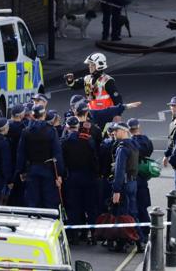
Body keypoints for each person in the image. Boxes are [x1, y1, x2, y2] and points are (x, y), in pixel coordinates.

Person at [16, 105, 64, 209]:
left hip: (32, 169)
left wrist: (21, 170)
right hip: (48, 170)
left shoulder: (26, 131)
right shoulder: (51, 131)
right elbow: (57, 153)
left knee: (33, 202)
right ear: (44, 115)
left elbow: (21, 153)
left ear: (32, 116)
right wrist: (59, 173)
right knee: (49, 202)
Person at [62, 116, 99, 245]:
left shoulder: (64, 141)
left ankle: (75, 237)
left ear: (67, 127)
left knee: (74, 207)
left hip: (72, 177)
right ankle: (93, 235)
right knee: (90, 206)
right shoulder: (87, 139)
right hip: (88, 176)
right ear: (78, 126)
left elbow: (62, 162)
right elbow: (94, 159)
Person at [111, 122, 144, 252]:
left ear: (124, 131)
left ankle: (137, 241)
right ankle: (129, 242)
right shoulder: (134, 145)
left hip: (124, 184)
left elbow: (119, 170)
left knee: (124, 215)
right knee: (131, 213)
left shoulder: (122, 148)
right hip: (132, 182)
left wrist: (116, 190)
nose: (114, 133)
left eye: (116, 130)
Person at [127, 118, 154, 247]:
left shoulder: (131, 143)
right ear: (139, 127)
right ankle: (147, 231)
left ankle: (139, 235)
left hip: (134, 176)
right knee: (143, 207)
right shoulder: (147, 141)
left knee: (134, 208)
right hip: (143, 177)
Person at [64, 94, 141, 130]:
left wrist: (126, 106)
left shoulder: (91, 114)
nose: (87, 104)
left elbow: (107, 111)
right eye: (85, 103)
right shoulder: (68, 122)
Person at [7, 104, 27, 206]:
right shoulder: (22, 128)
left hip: (7, 162)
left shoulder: (6, 125)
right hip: (18, 163)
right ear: (20, 115)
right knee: (19, 192)